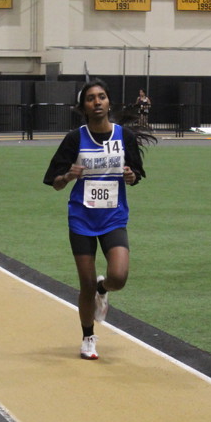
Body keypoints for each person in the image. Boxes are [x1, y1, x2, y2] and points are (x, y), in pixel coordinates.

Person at [43, 78, 152, 360]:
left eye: (101, 96)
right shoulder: (75, 138)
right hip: (82, 218)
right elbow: (54, 182)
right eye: (91, 98)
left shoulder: (123, 136)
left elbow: (136, 174)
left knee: (119, 276)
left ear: (109, 102)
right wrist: (68, 176)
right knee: (86, 284)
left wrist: (131, 176)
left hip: (113, 217)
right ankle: (88, 337)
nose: (97, 102)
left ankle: (103, 289)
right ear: (84, 107)